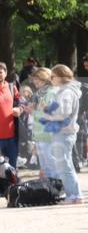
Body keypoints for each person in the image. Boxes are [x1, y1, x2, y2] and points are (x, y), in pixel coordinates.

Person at [39, 65, 83, 204]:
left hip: (63, 132)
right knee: (65, 165)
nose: (50, 79)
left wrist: (46, 113)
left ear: (60, 77)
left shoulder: (66, 92)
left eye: (52, 76)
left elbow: (63, 114)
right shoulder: (66, 91)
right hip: (65, 132)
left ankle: (74, 195)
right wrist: (47, 109)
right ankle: (75, 195)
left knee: (64, 166)